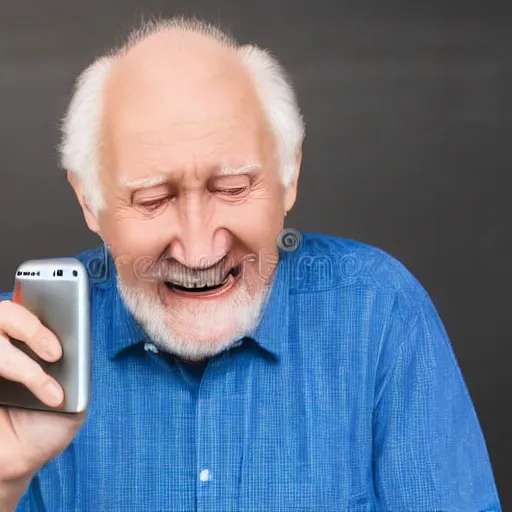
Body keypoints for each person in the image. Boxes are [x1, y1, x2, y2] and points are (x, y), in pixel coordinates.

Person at [0, 16, 501, 512]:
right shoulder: (17, 357)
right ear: (89, 201)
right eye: (152, 199)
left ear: (290, 175)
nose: (198, 252)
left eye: (233, 188)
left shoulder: (381, 314)